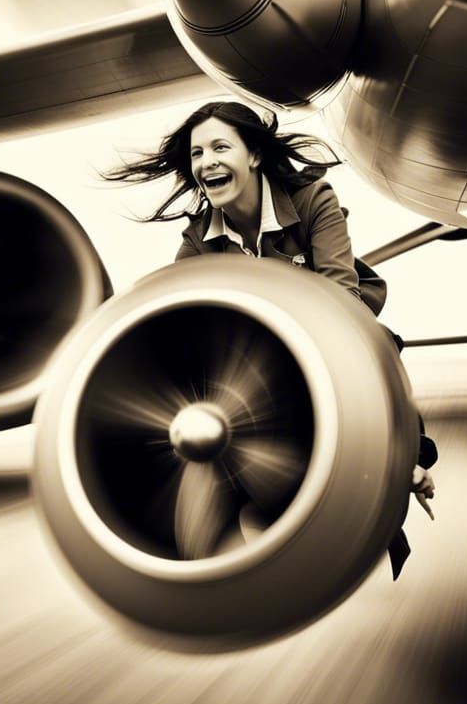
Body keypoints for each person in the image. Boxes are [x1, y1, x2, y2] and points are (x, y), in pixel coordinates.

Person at [104, 99, 436, 577]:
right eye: (198, 154)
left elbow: (343, 301)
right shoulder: (199, 239)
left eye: (221, 147)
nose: (206, 162)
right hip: (251, 370)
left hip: (335, 344)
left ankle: (400, 458)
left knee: (374, 340)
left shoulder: (312, 201)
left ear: (254, 155)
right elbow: (177, 323)